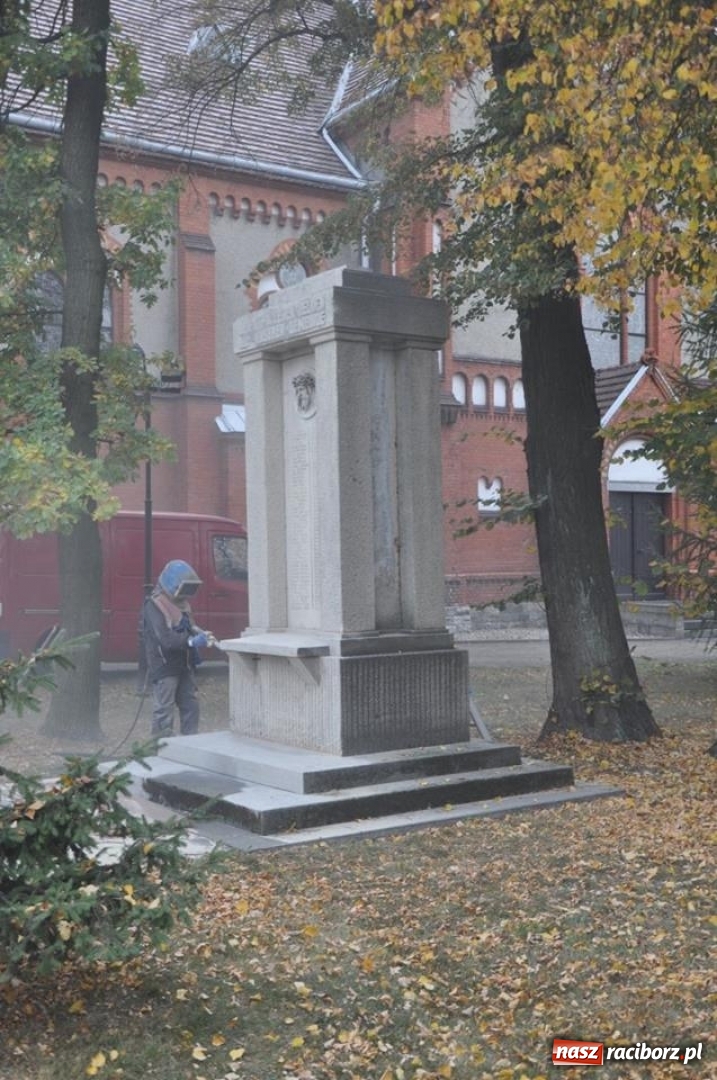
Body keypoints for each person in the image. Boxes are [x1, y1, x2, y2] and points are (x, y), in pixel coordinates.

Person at [140, 560, 213, 737]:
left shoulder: (182, 605)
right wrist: (191, 642)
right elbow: (166, 639)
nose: (186, 594)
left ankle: (189, 743)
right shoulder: (153, 605)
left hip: (184, 663)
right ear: (172, 584)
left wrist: (201, 634)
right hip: (165, 665)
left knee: (190, 704)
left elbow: (188, 626)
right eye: (184, 588)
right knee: (164, 709)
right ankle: (159, 748)